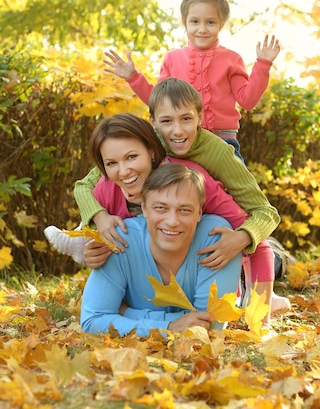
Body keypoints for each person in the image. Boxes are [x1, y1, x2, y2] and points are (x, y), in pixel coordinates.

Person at [45, 113, 290, 320]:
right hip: (163, 266)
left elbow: (256, 226)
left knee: (256, 252)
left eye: (132, 157)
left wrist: (242, 239)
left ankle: (274, 271)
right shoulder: (107, 189)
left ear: (152, 153)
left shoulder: (190, 181)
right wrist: (95, 237)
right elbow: (115, 260)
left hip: (214, 257)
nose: (124, 171)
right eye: (112, 163)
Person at [103, 0, 280, 159]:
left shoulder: (231, 59)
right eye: (195, 22)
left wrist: (263, 65)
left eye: (210, 22)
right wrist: (133, 77)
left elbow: (247, 101)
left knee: (238, 184)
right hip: (179, 140)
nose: (202, 29)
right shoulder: (173, 59)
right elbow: (157, 101)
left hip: (222, 140)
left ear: (221, 24)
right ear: (184, 22)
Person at [80, 164, 243, 337]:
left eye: (184, 210)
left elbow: (209, 327)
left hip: (240, 278)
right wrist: (169, 327)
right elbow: (93, 321)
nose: (172, 221)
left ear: (199, 213)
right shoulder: (120, 240)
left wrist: (128, 313)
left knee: (271, 256)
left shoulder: (217, 238)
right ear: (144, 209)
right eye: (161, 208)